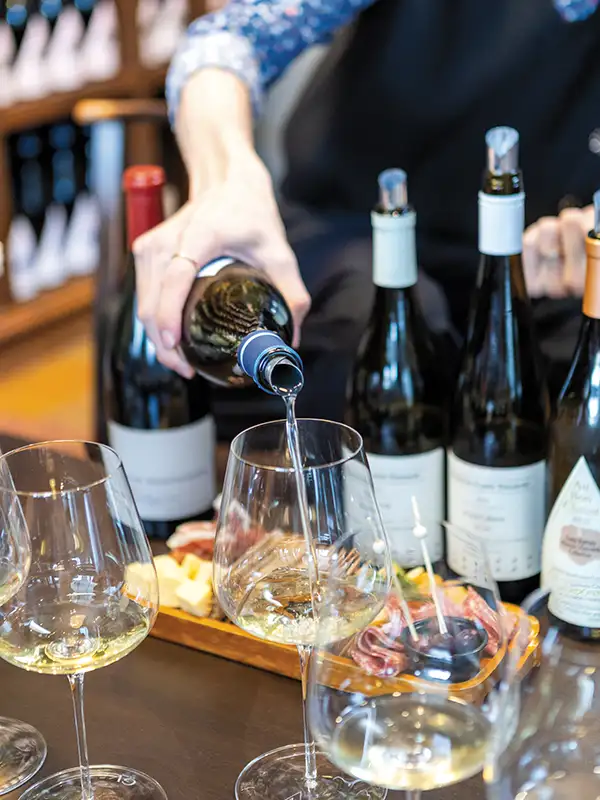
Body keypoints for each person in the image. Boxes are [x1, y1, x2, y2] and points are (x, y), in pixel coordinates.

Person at [133, 0, 600, 432]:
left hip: (529, 273)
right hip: (347, 225)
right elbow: (228, 42)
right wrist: (227, 178)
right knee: (383, 340)